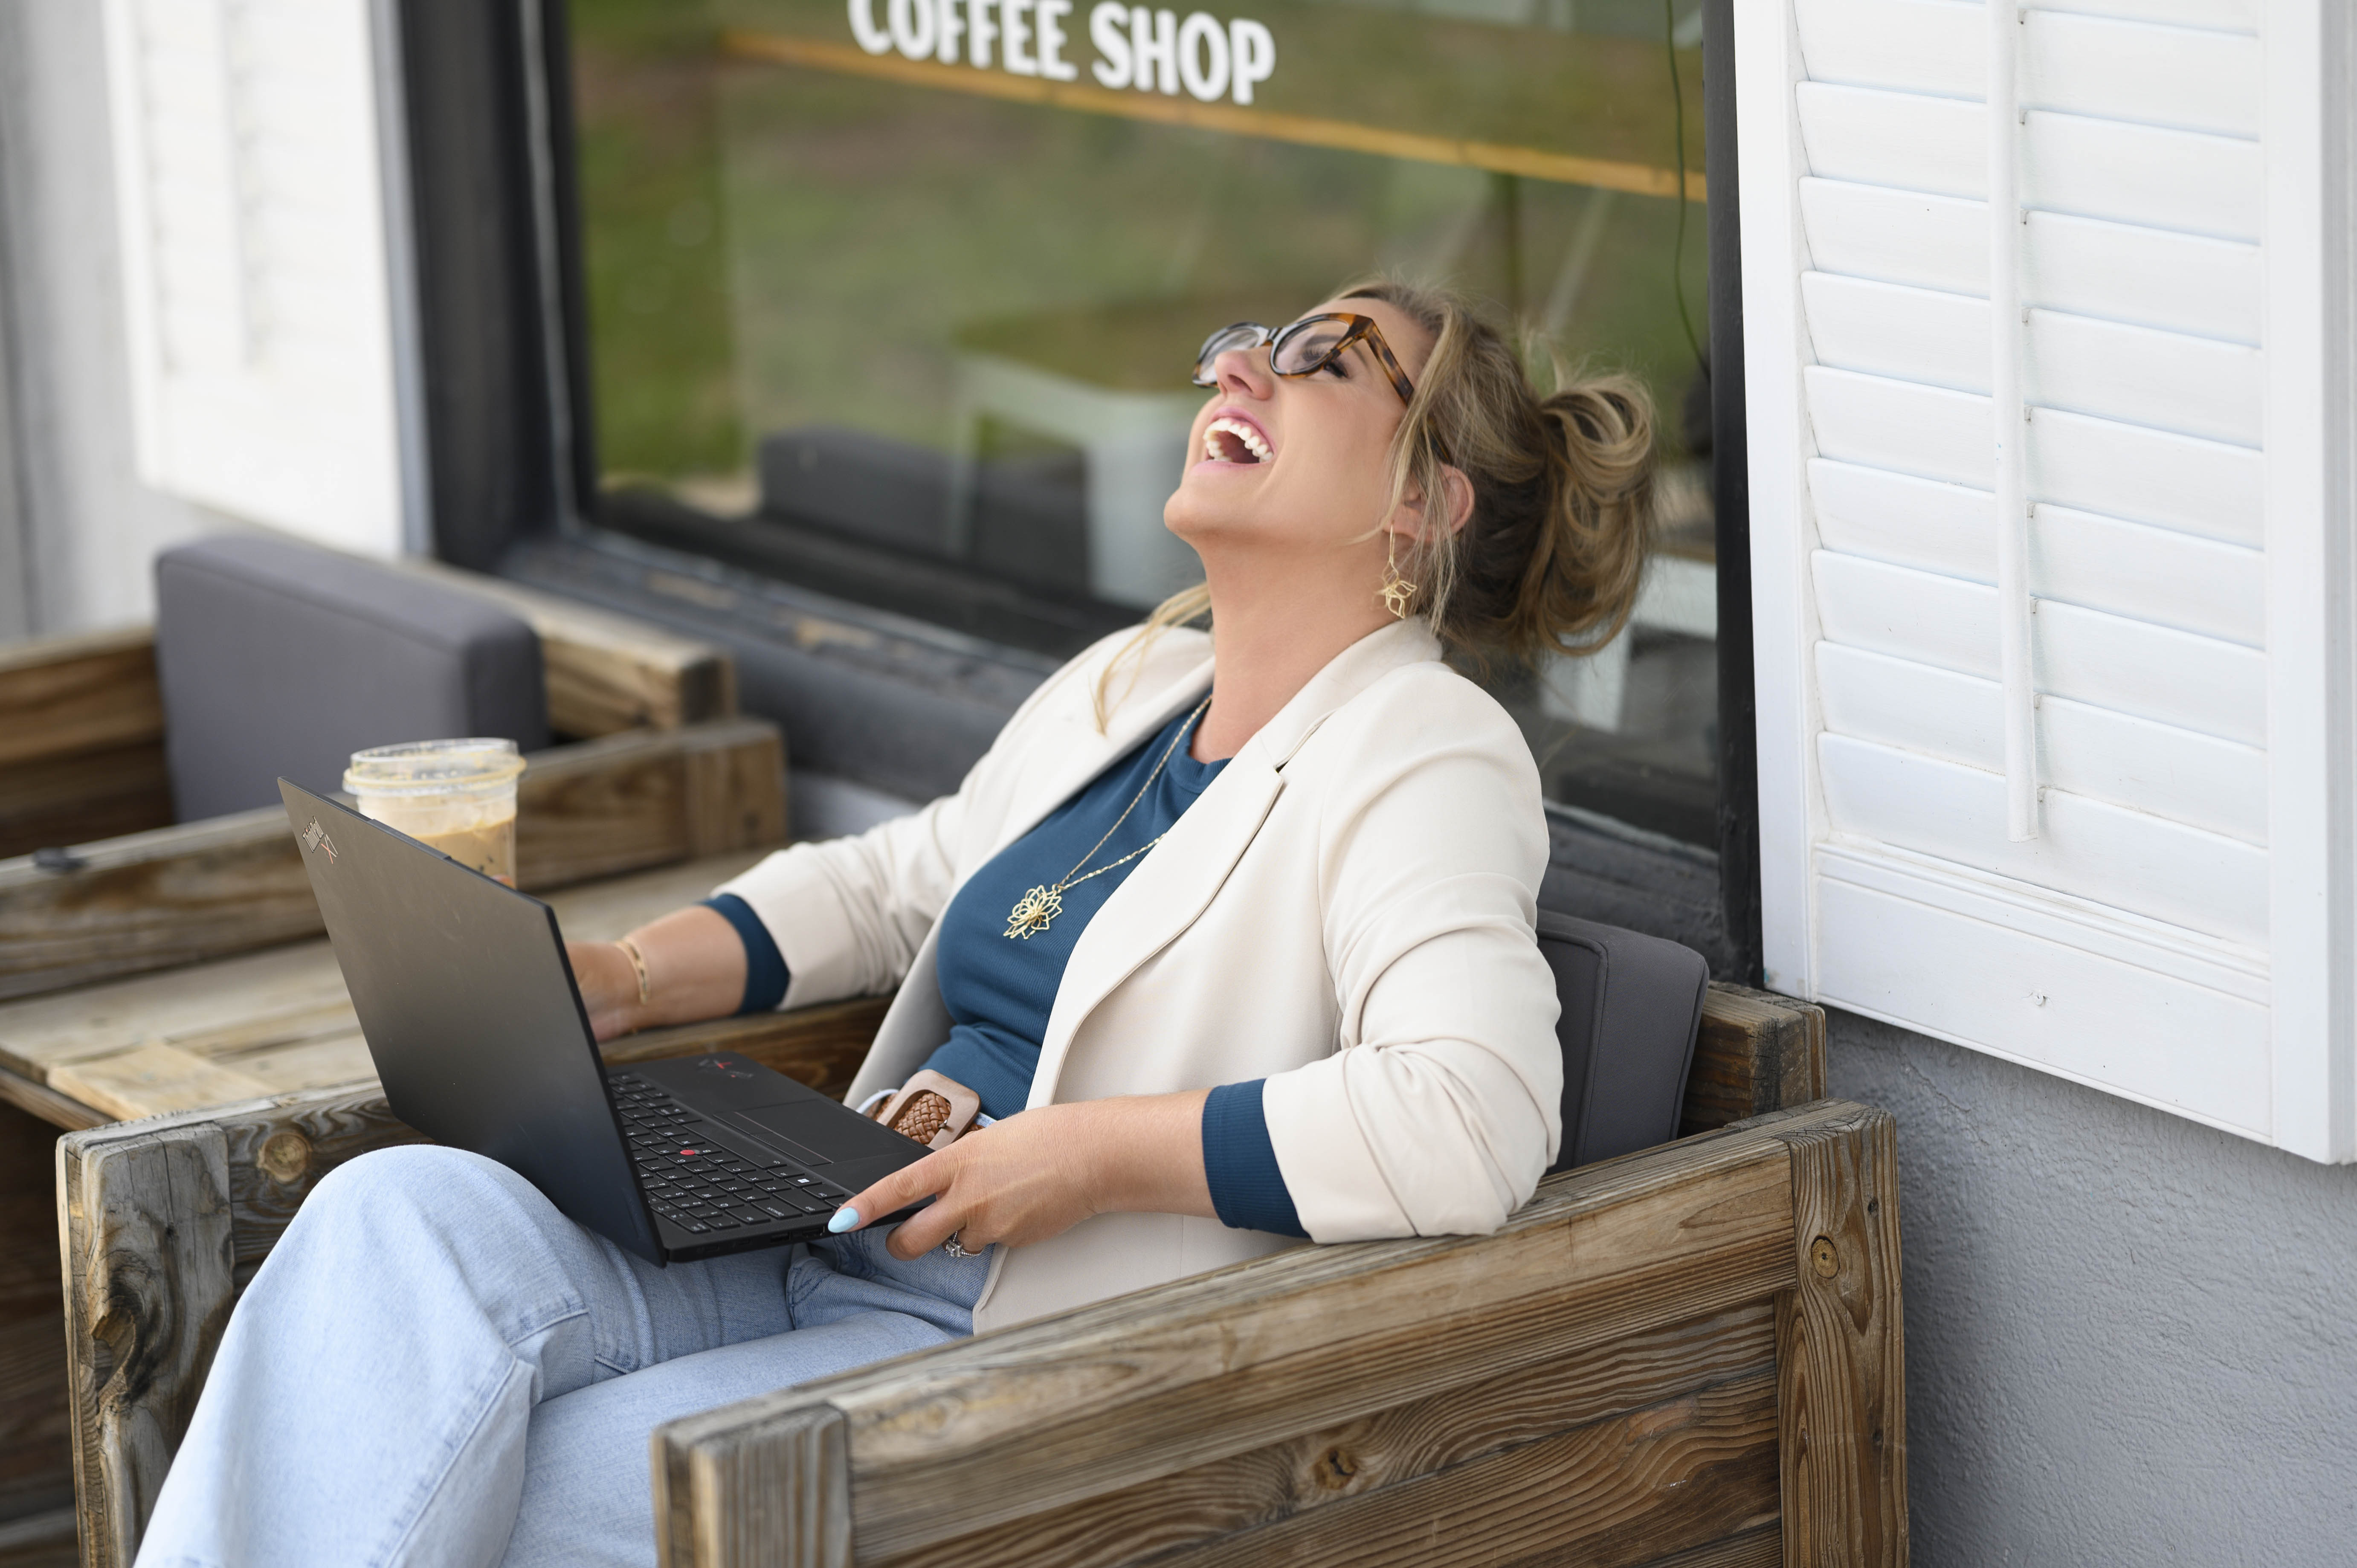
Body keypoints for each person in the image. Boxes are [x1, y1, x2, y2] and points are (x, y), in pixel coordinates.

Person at [136, 278, 1657, 1568]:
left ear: (1423, 503)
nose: (1240, 365)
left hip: (1020, 1346)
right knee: (394, 1220)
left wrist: (1086, 1158)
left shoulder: (1425, 749)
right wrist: (626, 975)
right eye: (1252, 338)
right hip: (838, 1229)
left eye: (1328, 358)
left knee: (522, 1488)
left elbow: (1472, 1114)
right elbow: (892, 884)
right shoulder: (1129, 691)